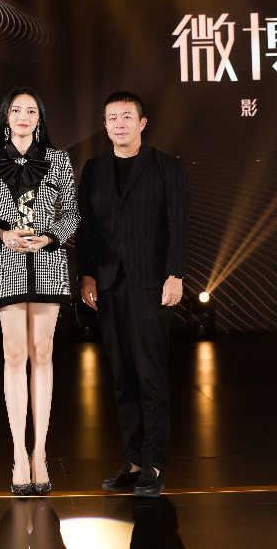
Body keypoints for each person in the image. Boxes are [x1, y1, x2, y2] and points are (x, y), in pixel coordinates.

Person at [0, 87, 79, 496]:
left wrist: (50, 236)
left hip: (48, 263)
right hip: (5, 263)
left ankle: (40, 453)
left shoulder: (59, 160)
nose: (23, 116)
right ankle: (18, 453)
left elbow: (72, 212)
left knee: (43, 353)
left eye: (31, 110)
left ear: (40, 118)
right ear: (6, 116)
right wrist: (2, 235)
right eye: (16, 109)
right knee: (14, 354)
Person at [77, 91, 188, 498]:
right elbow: (86, 228)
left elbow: (178, 223)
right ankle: (134, 460)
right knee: (122, 376)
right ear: (105, 126)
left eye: (127, 117)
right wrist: (87, 275)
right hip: (108, 283)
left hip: (151, 282)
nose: (119, 124)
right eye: (112, 118)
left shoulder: (165, 166)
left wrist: (175, 274)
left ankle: (154, 463)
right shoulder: (94, 169)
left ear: (142, 123)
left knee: (150, 375)